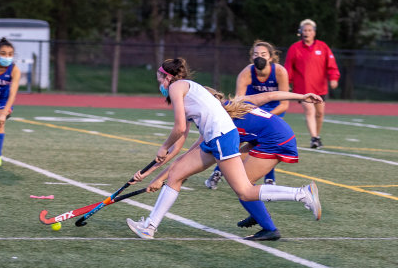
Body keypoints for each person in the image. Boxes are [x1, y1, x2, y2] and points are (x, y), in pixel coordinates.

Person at [125, 58, 322, 241]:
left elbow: (179, 129)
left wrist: (163, 147)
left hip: (227, 138)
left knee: (245, 191)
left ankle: (302, 194)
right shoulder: (195, 106)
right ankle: (149, 227)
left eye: (159, 79)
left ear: (167, 77)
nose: (160, 85)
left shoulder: (177, 86)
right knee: (176, 174)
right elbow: (180, 148)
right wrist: (149, 175)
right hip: (218, 138)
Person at [205, 40, 289, 189]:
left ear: (271, 57)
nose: (259, 57)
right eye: (256, 54)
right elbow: (239, 101)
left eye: (263, 54)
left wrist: (266, 117)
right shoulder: (246, 73)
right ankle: (218, 173)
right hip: (250, 110)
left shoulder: (279, 72)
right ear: (251, 57)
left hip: (273, 112)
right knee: (235, 140)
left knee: (267, 142)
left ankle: (269, 179)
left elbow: (284, 104)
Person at [285, 19, 340, 149]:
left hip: (320, 88)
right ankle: (314, 138)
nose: (307, 33)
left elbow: (331, 65)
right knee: (309, 110)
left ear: (314, 33)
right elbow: (288, 67)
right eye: (304, 30)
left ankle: (317, 136)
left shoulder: (323, 47)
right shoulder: (294, 48)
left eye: (309, 30)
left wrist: (334, 78)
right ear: (300, 32)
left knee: (319, 114)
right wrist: (287, 82)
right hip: (302, 89)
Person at [0, 38, 21, 167]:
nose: (7, 57)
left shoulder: (14, 70)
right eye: (3, 53)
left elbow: (13, 94)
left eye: (10, 54)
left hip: (3, 100)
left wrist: (4, 113)